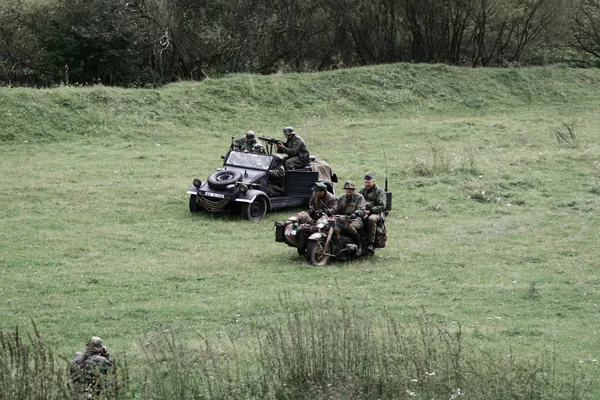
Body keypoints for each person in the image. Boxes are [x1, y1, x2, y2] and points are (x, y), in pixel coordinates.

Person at [359, 172, 387, 253]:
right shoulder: (362, 190)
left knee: (371, 219)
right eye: (365, 182)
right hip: (364, 211)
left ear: (373, 182)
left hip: (376, 213)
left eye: (368, 182)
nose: (366, 184)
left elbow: (382, 206)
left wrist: (370, 211)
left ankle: (371, 243)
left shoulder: (379, 191)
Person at [335, 181, 366, 253]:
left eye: (350, 189)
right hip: (343, 218)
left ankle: (359, 246)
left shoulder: (359, 197)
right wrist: (330, 211)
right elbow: (336, 208)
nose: (348, 190)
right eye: (347, 189)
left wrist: (356, 213)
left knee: (351, 227)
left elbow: (362, 208)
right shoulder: (342, 198)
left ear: (353, 189)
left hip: (356, 218)